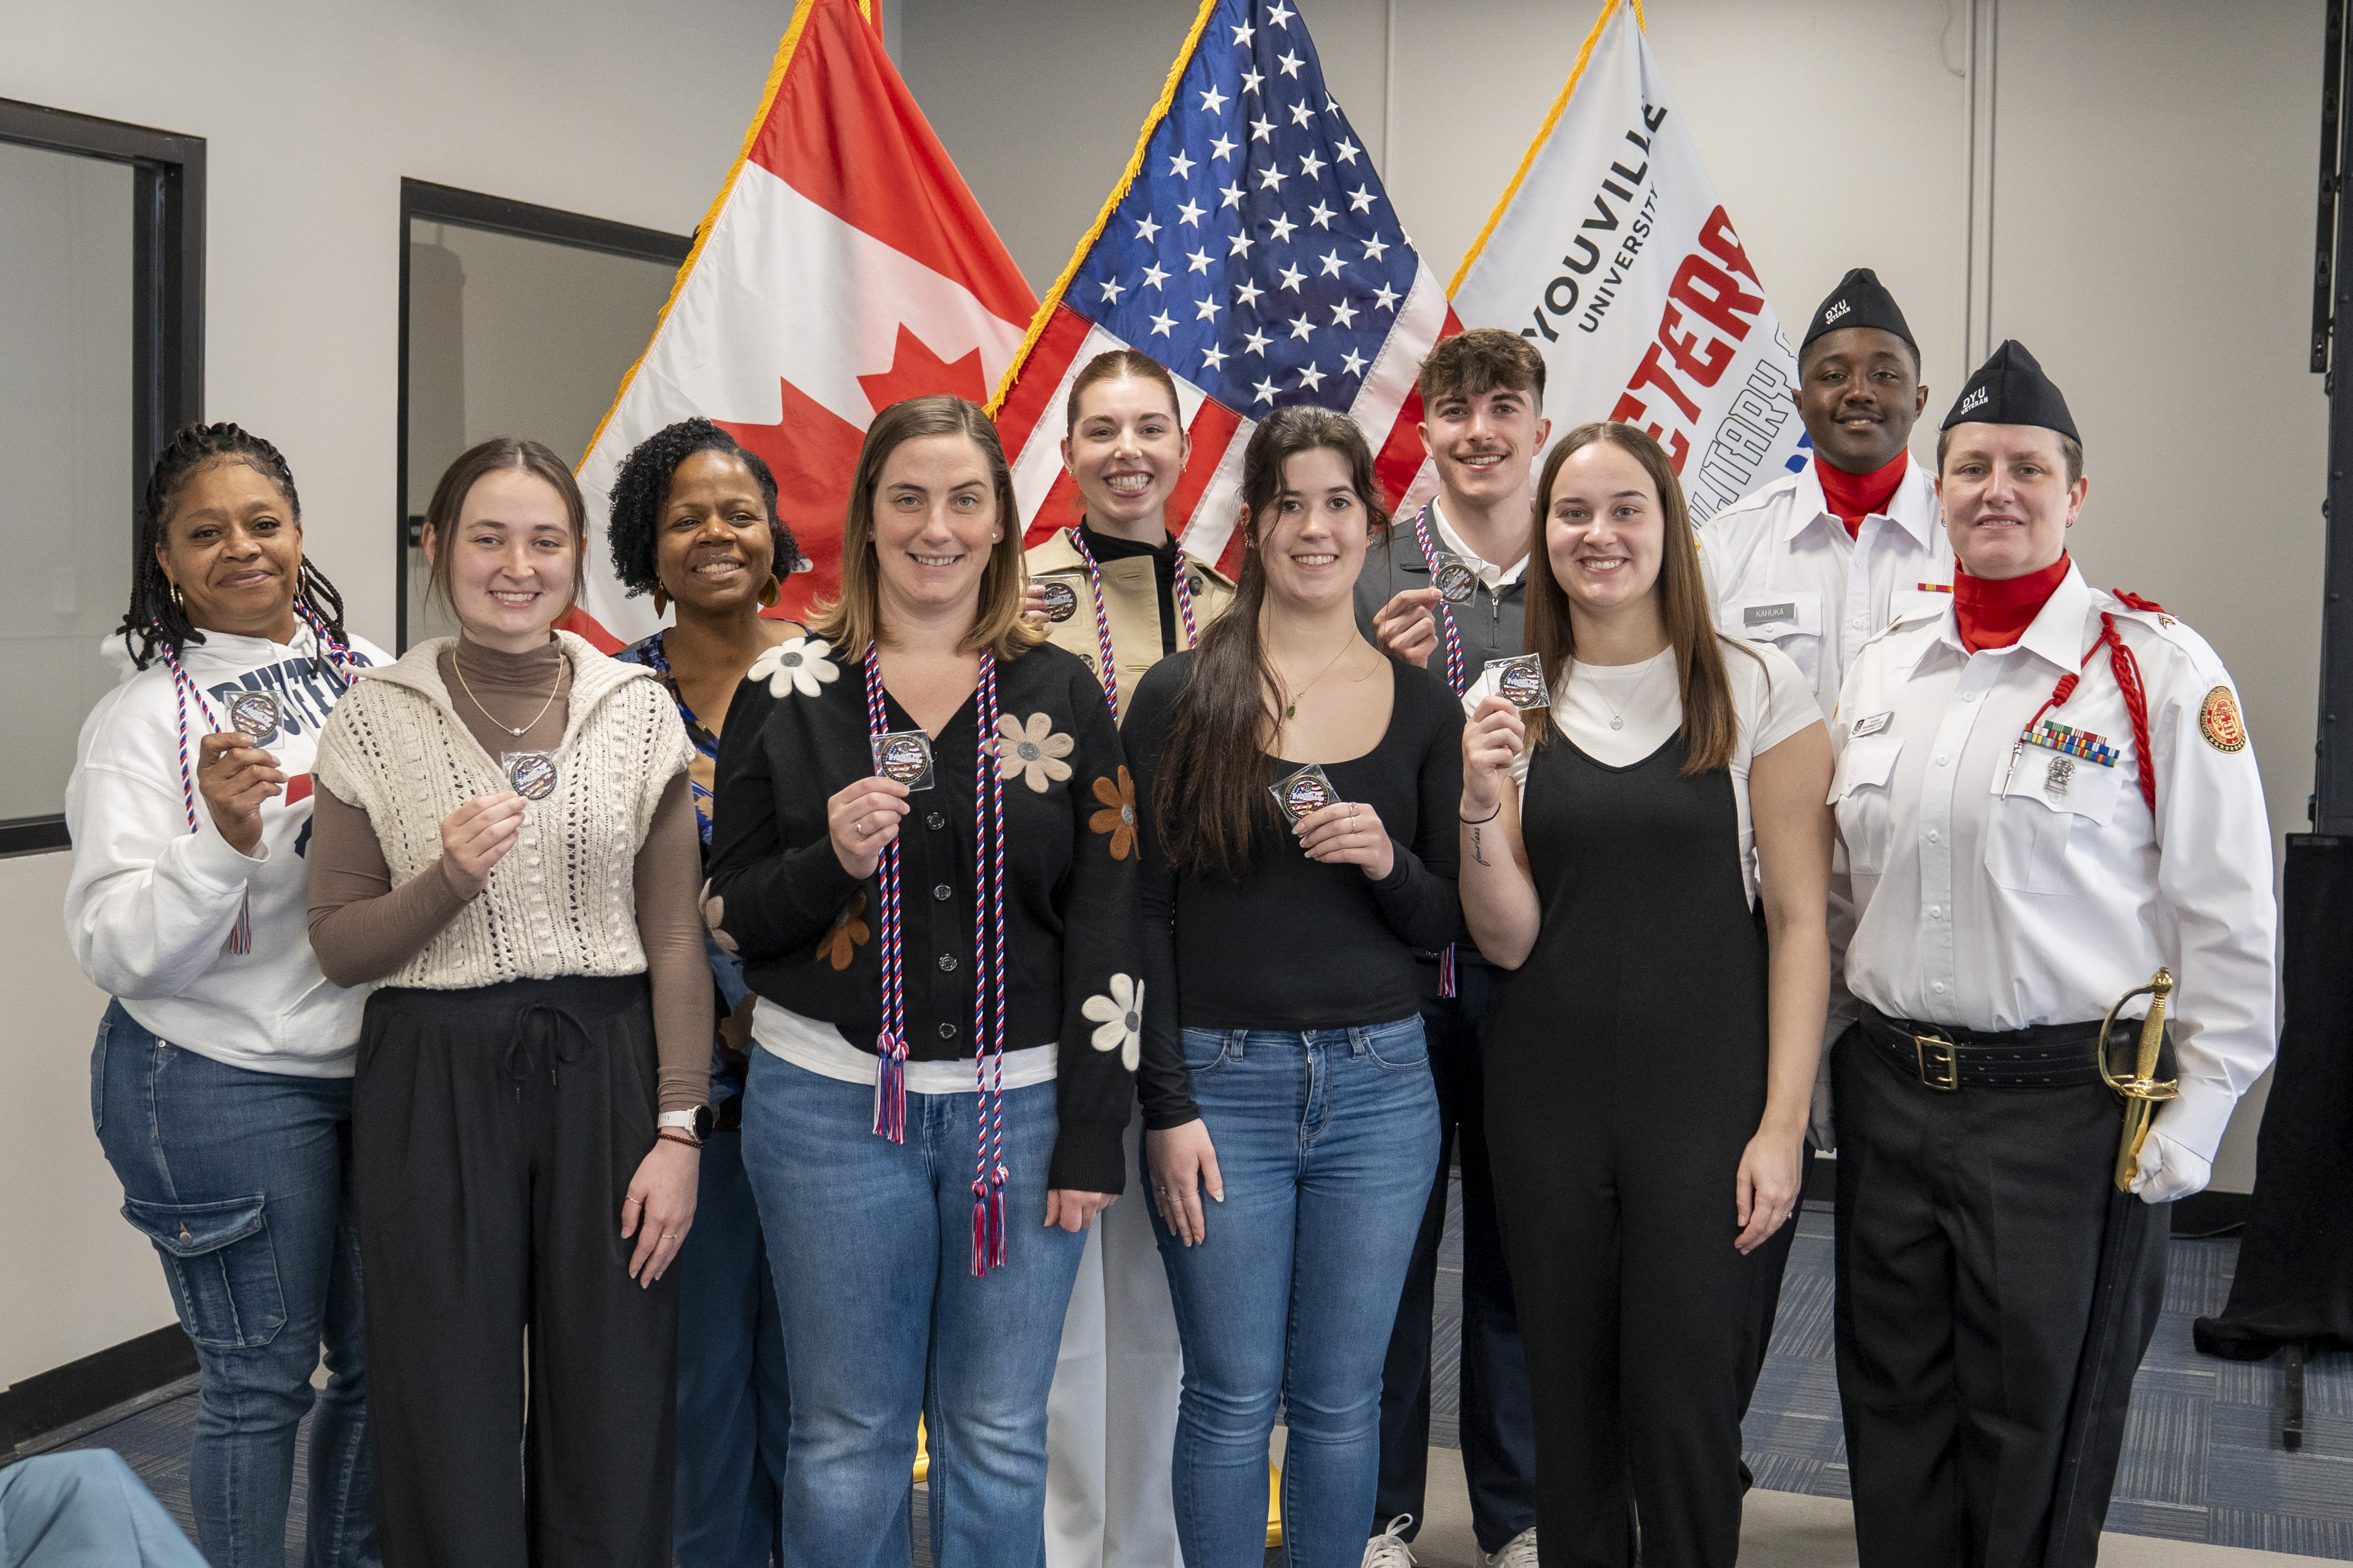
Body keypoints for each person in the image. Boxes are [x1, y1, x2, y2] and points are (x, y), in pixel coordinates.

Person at [1828, 343, 2279, 1568]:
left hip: (2065, 1113)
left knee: (2037, 1422)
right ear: (1938, 488)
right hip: (1890, 1096)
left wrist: (2203, 1108)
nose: (1998, 490)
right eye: (1972, 466)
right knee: (1892, 1401)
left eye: (2028, 468)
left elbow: (2230, 914)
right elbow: (1842, 897)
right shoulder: (1885, 668)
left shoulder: (2155, 670)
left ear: (2075, 494)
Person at [702, 394, 1141, 1568]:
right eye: (907, 499)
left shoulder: (1062, 693)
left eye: (963, 500)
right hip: (826, 1110)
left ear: (1000, 523)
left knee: (999, 1435)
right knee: (848, 1435)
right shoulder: (787, 688)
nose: (935, 528)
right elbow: (730, 914)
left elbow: (1110, 918)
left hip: (1027, 1114)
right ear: (865, 519)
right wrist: (831, 861)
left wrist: (1095, 1129)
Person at [307, 437, 707, 1566]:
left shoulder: (637, 708)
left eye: (544, 541)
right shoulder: (375, 714)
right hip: (431, 1075)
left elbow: (676, 939)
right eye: (488, 538)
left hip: (609, 1069)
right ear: (438, 549)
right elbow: (338, 948)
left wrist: (680, 1130)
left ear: (578, 557)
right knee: (443, 1401)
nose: (516, 566)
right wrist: (446, 879)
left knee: (616, 1396)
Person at [1457, 421, 1832, 1568]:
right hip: (1546, 1103)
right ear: (1544, 535)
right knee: (1567, 1410)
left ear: (1670, 524)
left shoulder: (1755, 685)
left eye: (1626, 509)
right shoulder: (1507, 696)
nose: (1599, 534)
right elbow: (1507, 936)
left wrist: (1783, 1126)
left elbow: (1802, 925)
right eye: (1573, 514)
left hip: (1705, 1107)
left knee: (1683, 1404)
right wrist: (1477, 798)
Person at [1128, 405, 1457, 1568]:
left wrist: (1386, 860)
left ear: (1373, 526)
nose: (1315, 528)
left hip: (1382, 1089)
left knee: (1342, 1396)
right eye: (1288, 505)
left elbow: (1443, 923)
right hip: (1220, 1088)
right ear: (1253, 527)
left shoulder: (1425, 706)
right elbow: (1144, 913)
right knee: (1228, 1392)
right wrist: (1166, 1104)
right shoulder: (1179, 695)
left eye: (1338, 505)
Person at [65, 421, 385, 1568]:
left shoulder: (370, 670)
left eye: (263, 523)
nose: (241, 548)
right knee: (259, 1382)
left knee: (383, 1366)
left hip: (369, 1068)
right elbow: (117, 948)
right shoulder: (139, 721)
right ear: (166, 559)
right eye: (206, 534)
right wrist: (224, 842)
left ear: (299, 532)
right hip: (214, 1080)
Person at [1695, 266, 1949, 1431]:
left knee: (1903, 1260)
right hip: (1761, 939)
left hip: (1913, 945)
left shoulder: (1972, 541)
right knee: (1735, 1227)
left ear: (1920, 398)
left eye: (1885, 374)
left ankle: (1904, 1501)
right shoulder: (1727, 551)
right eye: (1836, 373)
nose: (1861, 391)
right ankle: (1704, 1475)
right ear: (1797, 397)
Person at [1022, 350, 1235, 1568]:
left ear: (1184, 451)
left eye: (1151, 429)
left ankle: (1148, 1546)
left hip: (1193, 970)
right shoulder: (1015, 596)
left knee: (1166, 1288)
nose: (1127, 452)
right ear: (1066, 454)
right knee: (1057, 1291)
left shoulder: (1231, 606)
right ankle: (1064, 1546)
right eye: (1101, 431)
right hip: (1054, 967)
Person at [1352, 328, 1545, 1568]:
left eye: (1503, 408)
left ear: (1538, 426)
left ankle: (1519, 1514)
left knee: (1522, 1251)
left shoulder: (1588, 559)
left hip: (1537, 964)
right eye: (1457, 412)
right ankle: (1379, 1511)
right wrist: (1378, 679)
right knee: (1388, 1255)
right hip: (1402, 960)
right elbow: (1308, 749)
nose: (1480, 432)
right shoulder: (1370, 570)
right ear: (1425, 433)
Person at [610, 418, 801, 1567]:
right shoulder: (610, 694)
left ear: (778, 535)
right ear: (649, 544)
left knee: (821, 1390)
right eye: (687, 517)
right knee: (699, 1386)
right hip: (682, 1103)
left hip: (834, 1091)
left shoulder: (841, 672)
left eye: (740, 513)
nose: (717, 534)